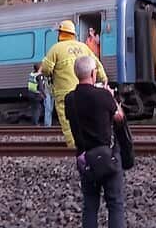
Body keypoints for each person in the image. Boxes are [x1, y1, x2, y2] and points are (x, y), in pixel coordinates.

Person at [64, 56, 127, 228]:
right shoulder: (103, 96)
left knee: (90, 207)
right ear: (93, 74)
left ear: (76, 75)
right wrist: (112, 97)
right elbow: (119, 118)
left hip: (86, 160)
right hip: (108, 158)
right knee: (115, 205)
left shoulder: (70, 99)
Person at [41, 20, 108, 148]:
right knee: (85, 118)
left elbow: (45, 69)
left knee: (67, 121)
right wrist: (103, 78)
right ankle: (89, 144)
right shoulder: (83, 47)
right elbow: (96, 63)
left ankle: (74, 147)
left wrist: (50, 73)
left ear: (61, 33)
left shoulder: (55, 49)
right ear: (73, 34)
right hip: (84, 90)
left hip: (64, 92)